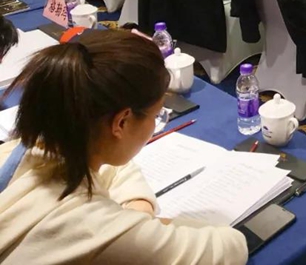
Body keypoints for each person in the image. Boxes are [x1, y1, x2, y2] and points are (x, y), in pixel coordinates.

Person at [0, 30, 247, 263]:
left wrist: (138, 209)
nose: (156, 123)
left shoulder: (34, 147)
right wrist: (146, 229)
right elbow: (230, 248)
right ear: (122, 122)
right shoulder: (89, 227)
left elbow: (113, 166)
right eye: (156, 115)